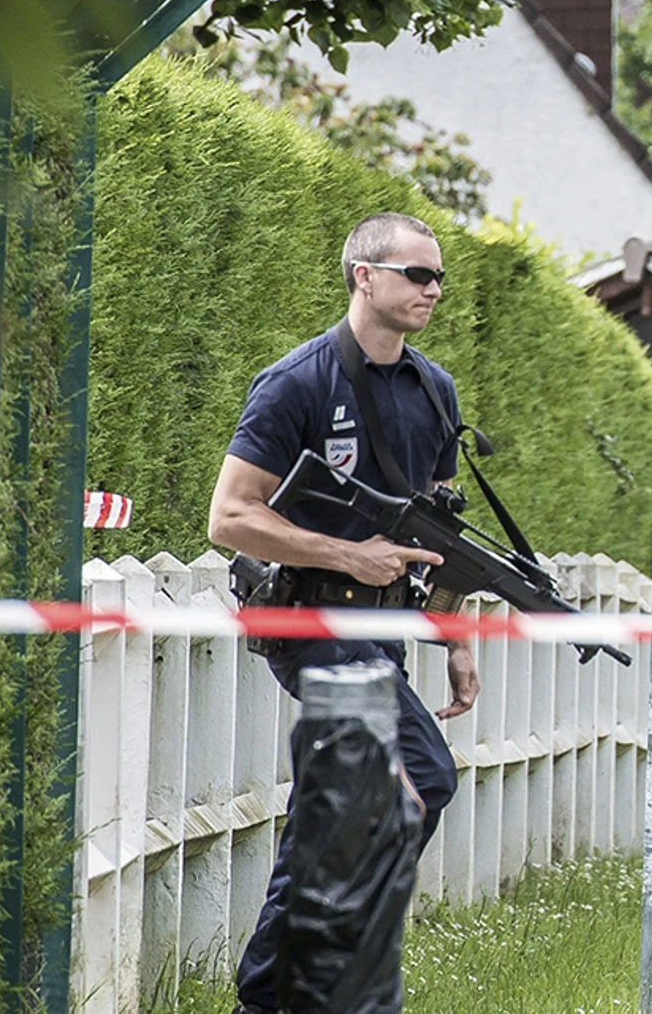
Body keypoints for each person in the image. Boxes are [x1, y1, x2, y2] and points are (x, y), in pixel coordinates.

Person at [208, 211, 480, 1014]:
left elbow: (435, 538)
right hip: (309, 618)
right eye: (417, 274)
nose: (433, 289)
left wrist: (457, 638)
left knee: (342, 805)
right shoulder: (297, 381)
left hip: (381, 631)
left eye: (439, 277)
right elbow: (229, 516)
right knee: (420, 776)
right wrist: (345, 555)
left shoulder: (435, 390)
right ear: (364, 275)